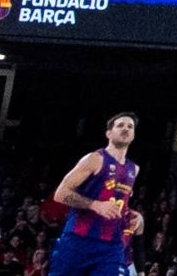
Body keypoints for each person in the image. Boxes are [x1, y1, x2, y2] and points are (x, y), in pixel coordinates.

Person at [47, 113, 144, 276]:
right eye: (120, 125)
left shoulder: (134, 169)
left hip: (111, 245)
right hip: (78, 240)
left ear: (134, 135)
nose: (126, 129)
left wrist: (136, 217)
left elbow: (118, 202)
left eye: (130, 126)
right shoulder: (94, 159)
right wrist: (94, 205)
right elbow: (61, 193)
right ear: (108, 133)